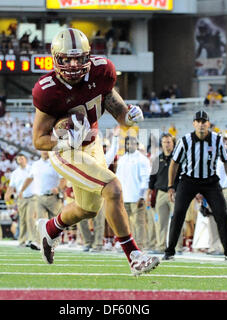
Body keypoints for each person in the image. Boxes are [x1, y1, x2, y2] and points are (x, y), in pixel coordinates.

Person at [31, 28, 159, 275]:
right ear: (55, 58)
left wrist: (129, 116)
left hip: (93, 143)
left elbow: (114, 106)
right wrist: (64, 142)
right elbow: (39, 140)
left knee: (89, 208)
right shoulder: (48, 90)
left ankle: (50, 229)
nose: (73, 64)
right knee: (112, 188)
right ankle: (134, 256)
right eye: (66, 58)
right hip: (65, 151)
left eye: (78, 58)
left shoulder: (103, 71)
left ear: (88, 56)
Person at [163, 110, 227, 261]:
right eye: (198, 121)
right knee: (178, 213)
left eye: (204, 121)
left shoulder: (217, 140)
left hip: (210, 181)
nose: (201, 124)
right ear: (194, 124)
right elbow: (174, 164)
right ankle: (170, 250)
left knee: (222, 214)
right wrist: (171, 186)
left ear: (208, 124)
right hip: (188, 180)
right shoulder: (185, 140)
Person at [21, 151, 65, 249]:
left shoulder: (56, 163)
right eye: (43, 150)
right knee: (40, 220)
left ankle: (54, 242)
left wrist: (58, 189)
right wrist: (21, 190)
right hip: (39, 196)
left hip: (53, 197)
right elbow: (29, 178)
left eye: (47, 150)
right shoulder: (35, 164)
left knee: (54, 221)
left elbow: (63, 179)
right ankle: (38, 242)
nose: (45, 152)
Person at [115, 136, 151, 250]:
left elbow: (145, 179)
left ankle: (140, 246)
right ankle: (129, 246)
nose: (130, 146)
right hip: (124, 197)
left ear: (137, 145)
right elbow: (118, 179)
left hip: (136, 197)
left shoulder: (142, 159)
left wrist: (142, 196)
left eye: (133, 143)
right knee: (125, 224)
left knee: (139, 224)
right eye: (128, 144)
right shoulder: (122, 159)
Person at [147, 133, 175, 253]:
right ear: (161, 144)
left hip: (175, 193)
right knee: (160, 223)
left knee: (176, 221)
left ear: (173, 143)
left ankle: (176, 247)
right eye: (164, 142)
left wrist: (175, 189)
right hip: (160, 193)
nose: (166, 144)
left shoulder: (178, 158)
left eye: (169, 142)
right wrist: (149, 191)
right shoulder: (157, 159)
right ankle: (160, 246)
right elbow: (152, 177)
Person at [5, 154, 38, 248]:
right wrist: (7, 194)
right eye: (18, 158)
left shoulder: (32, 169)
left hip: (32, 196)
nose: (20, 159)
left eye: (22, 158)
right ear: (16, 161)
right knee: (22, 219)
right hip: (21, 198)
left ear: (26, 159)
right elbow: (11, 186)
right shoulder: (15, 173)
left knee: (30, 218)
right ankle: (22, 240)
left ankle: (31, 239)